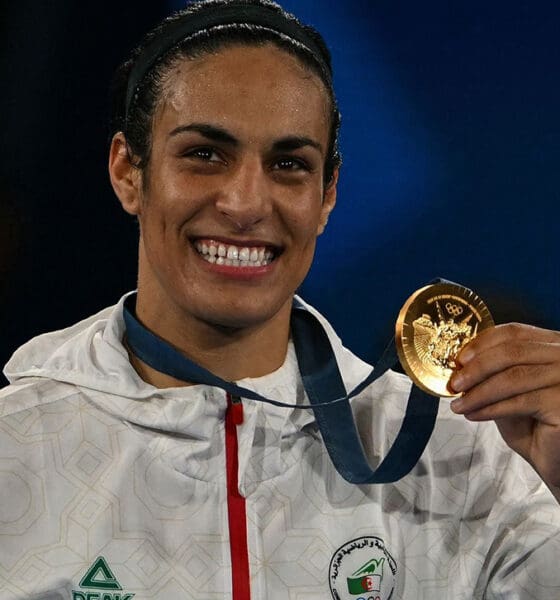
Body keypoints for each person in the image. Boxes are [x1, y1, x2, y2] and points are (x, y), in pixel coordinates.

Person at [1, 1, 560, 598]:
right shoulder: (16, 449)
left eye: (289, 164)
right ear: (127, 172)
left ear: (327, 195)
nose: (245, 204)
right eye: (204, 154)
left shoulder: (468, 463)